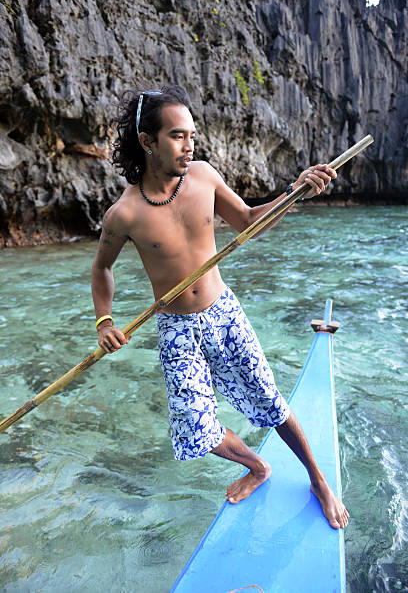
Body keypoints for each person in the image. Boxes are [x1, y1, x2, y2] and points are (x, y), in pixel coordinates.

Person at [92, 85, 349, 529]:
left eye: (192, 135)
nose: (190, 145)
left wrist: (295, 192)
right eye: (178, 136)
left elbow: (249, 222)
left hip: (223, 313)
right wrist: (104, 321)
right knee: (196, 430)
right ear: (147, 141)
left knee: (269, 401)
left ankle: (318, 479)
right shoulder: (125, 214)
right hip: (174, 328)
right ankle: (258, 466)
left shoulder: (205, 177)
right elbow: (102, 270)